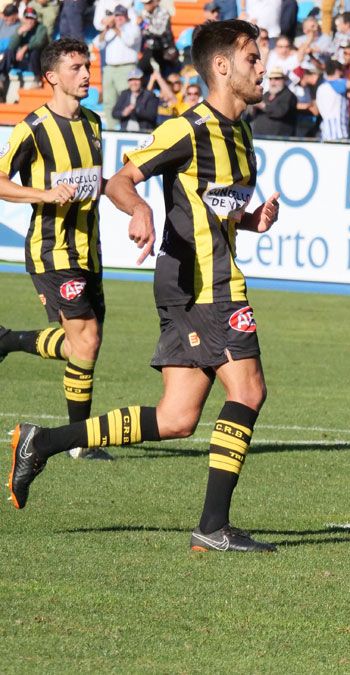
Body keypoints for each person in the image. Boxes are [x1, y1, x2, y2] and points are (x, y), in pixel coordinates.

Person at [9, 20, 282, 555]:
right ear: (222, 67)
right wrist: (139, 210)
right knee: (248, 391)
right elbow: (120, 181)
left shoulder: (242, 132)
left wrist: (251, 221)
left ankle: (42, 442)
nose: (261, 68)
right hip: (205, 282)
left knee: (178, 418)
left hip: (194, 280)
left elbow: (213, 205)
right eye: (252, 58)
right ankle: (212, 526)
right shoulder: (188, 128)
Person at [0, 39, 108, 463]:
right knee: (87, 337)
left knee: (83, 345)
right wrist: (43, 193)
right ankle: (78, 441)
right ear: (51, 77)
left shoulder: (95, 122)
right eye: (77, 68)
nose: (86, 74)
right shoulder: (33, 127)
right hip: (52, 250)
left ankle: (8, 340)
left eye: (87, 66)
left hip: (89, 250)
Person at [93, 4, 141, 128]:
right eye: (116, 15)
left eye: (121, 15)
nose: (118, 18)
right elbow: (98, 44)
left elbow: (129, 41)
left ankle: (127, 127)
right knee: (109, 101)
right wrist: (106, 29)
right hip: (109, 68)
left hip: (127, 68)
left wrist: (116, 29)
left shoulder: (133, 28)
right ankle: (111, 127)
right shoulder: (110, 30)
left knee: (127, 100)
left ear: (126, 16)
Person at [317, 57, 350, 140]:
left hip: (326, 129)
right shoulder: (336, 84)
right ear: (337, 71)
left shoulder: (322, 86)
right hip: (337, 131)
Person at [252, 66, 298, 135]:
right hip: (259, 137)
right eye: (271, 79)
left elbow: (280, 112)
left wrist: (262, 105)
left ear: (283, 80)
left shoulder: (289, 96)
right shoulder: (266, 94)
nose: (273, 82)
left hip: (279, 140)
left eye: (276, 78)